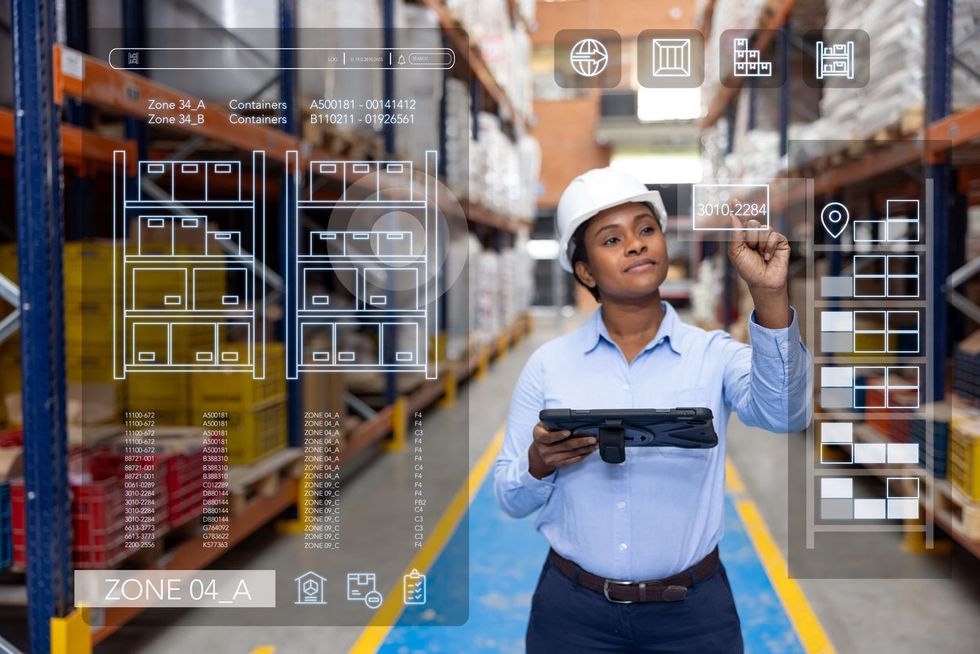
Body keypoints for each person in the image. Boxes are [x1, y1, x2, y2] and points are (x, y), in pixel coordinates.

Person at [493, 167, 812, 653]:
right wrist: (540, 463)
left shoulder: (713, 356)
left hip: (693, 617)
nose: (637, 245)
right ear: (584, 270)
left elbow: (788, 414)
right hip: (574, 616)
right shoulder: (549, 366)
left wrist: (769, 296)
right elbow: (510, 498)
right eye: (612, 239)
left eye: (646, 229)